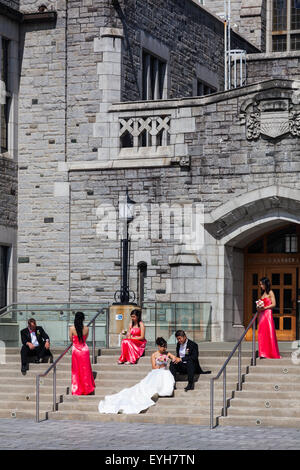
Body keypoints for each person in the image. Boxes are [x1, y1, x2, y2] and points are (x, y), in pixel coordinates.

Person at [99, 337, 175, 414]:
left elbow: (174, 358)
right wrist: (160, 363)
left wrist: (174, 359)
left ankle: (163, 391)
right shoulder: (154, 355)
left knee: (165, 375)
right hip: (157, 372)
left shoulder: (167, 353)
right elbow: (154, 367)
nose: (164, 348)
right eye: (163, 346)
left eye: (165, 346)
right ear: (158, 346)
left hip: (165, 371)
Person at [69, 311, 95, 395]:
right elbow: (85, 339)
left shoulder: (72, 328)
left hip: (76, 350)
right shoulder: (86, 328)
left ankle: (77, 388)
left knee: (76, 370)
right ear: (83, 319)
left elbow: (70, 339)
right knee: (85, 369)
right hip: (84, 349)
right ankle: (87, 387)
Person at [257, 277, 281, 359]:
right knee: (262, 333)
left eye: (261, 284)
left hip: (267, 314)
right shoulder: (263, 293)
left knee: (268, 332)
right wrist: (259, 307)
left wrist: (264, 308)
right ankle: (263, 353)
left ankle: (270, 353)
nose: (261, 286)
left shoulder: (270, 292)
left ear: (265, 284)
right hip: (262, 315)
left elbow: (274, 304)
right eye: (260, 284)